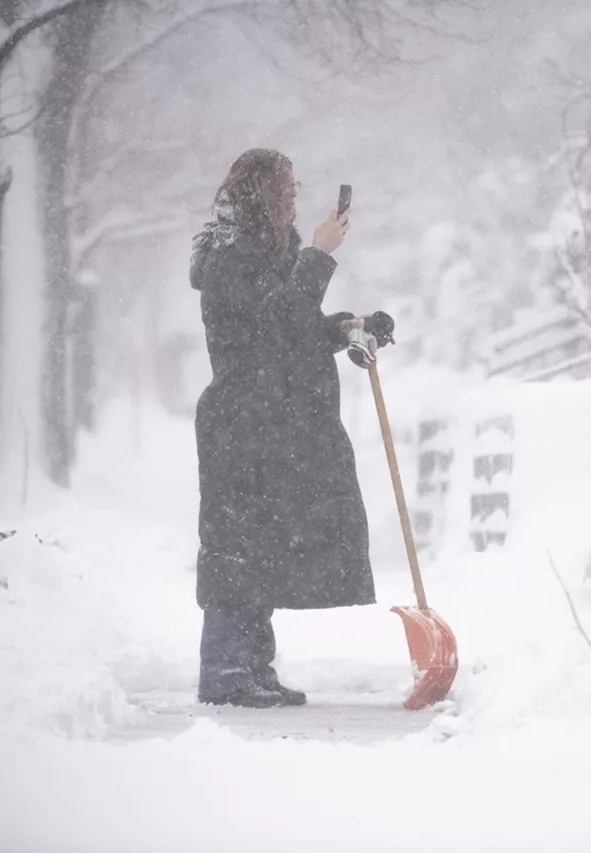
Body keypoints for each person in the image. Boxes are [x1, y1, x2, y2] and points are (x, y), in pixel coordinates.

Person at [188, 148, 393, 708]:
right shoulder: (231, 256)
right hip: (241, 421)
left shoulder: (266, 252)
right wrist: (319, 255)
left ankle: (253, 668)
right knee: (236, 548)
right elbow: (275, 322)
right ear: (261, 192)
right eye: (287, 189)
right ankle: (226, 671)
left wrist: (349, 327)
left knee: (262, 548)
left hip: (271, 422)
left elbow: (292, 325)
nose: (294, 199)